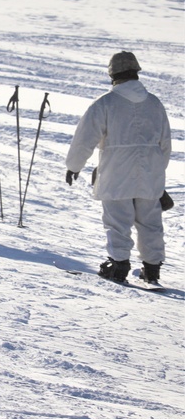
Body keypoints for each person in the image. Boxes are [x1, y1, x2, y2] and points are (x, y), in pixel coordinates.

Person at [65, 51, 171, 285]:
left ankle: (118, 265)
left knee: (118, 221)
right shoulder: (154, 103)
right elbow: (165, 143)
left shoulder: (105, 103)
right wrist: (157, 173)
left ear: (112, 74)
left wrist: (74, 166)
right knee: (150, 222)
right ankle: (152, 270)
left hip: (116, 172)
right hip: (151, 172)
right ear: (136, 72)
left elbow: (85, 138)